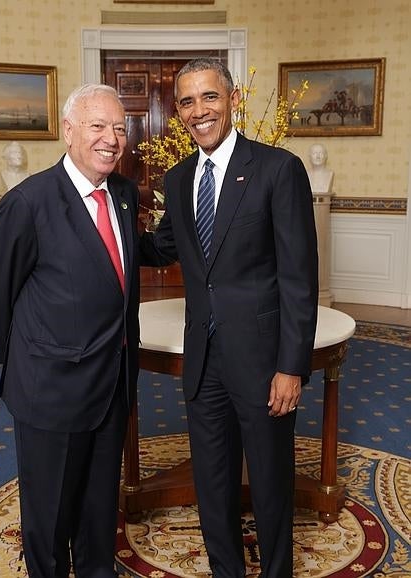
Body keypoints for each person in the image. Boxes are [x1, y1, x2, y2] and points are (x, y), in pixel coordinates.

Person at [140, 58, 319, 578]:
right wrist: (110, 217)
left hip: (264, 363)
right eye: (188, 102)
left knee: (268, 483)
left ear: (233, 99)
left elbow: (298, 277)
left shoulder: (278, 168)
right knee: (212, 483)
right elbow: (166, 246)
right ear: (179, 113)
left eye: (209, 97)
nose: (199, 111)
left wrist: (292, 366)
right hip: (203, 361)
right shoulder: (177, 180)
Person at [0, 84, 141, 578]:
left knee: (98, 508)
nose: (111, 139)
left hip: (112, 382)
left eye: (118, 128)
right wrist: (29, 359)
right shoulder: (28, 202)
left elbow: (122, 268)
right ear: (69, 132)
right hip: (50, 390)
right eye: (98, 126)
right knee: (48, 519)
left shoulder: (125, 195)